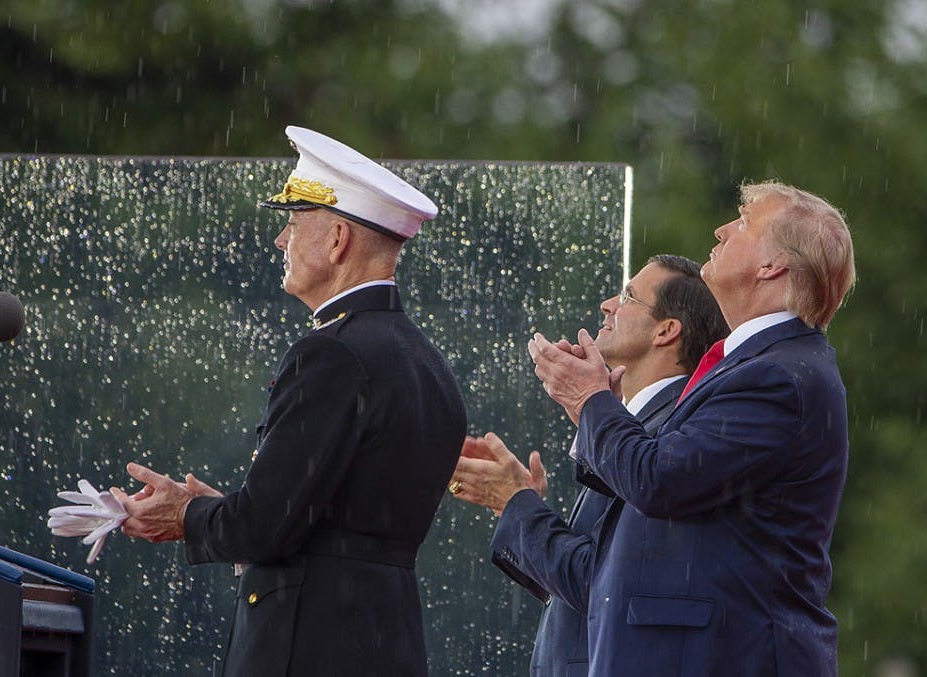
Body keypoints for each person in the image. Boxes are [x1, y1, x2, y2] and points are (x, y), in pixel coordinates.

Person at [111, 126, 467, 677]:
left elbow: (267, 528)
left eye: (295, 223)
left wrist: (187, 514)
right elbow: (334, 521)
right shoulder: (428, 362)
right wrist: (228, 509)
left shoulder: (331, 355)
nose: (281, 240)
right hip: (384, 639)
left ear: (337, 240)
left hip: (309, 645)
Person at [527, 181, 856, 676]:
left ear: (772, 267)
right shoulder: (754, 365)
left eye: (744, 224)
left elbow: (659, 481)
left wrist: (589, 398)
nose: (722, 230)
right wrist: (597, 408)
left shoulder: (777, 375)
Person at [450, 255, 727, 676]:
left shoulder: (664, 436)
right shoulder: (637, 426)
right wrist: (516, 502)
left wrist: (517, 504)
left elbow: (598, 583)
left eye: (629, 296)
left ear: (667, 331)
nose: (607, 304)